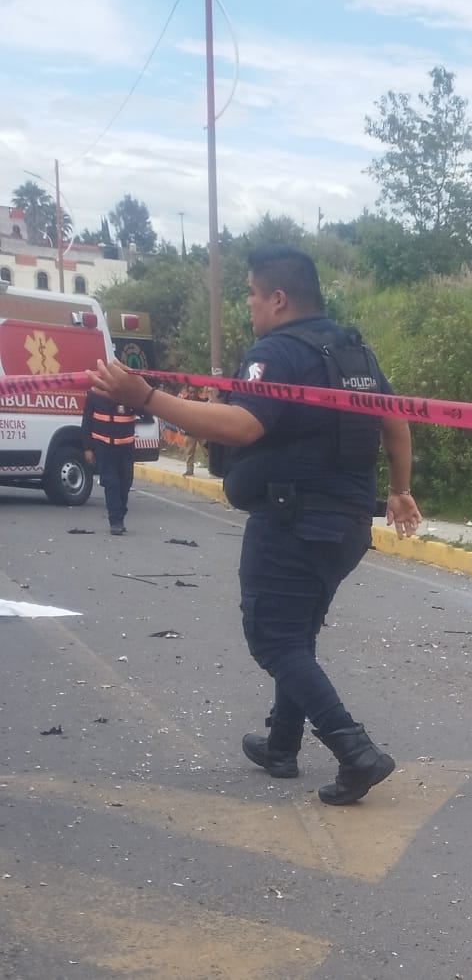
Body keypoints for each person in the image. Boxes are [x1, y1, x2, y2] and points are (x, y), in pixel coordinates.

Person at [86, 244, 423, 807]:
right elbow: (396, 420)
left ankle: (354, 750)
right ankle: (281, 744)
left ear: (279, 298)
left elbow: (241, 426)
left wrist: (145, 396)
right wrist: (400, 489)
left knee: (274, 638)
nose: (248, 305)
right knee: (298, 633)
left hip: (294, 519)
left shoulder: (277, 352)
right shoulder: (352, 350)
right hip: (347, 525)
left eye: (249, 293)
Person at [81, 388, 138, 535]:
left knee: (125, 483)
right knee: (111, 482)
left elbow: (144, 411)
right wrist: (88, 448)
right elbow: (86, 422)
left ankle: (120, 513)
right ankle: (115, 521)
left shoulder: (129, 393)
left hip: (126, 448)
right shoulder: (94, 394)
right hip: (103, 447)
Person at [181, 383, 215, 475]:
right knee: (189, 453)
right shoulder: (184, 402)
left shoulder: (202, 402)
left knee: (207, 452)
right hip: (189, 432)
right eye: (191, 392)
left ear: (198, 393)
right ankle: (189, 470)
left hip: (201, 432)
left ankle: (212, 470)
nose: (192, 394)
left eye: (194, 392)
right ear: (188, 392)